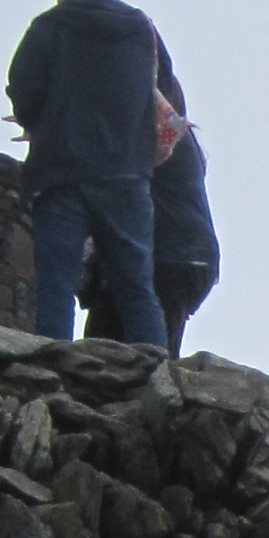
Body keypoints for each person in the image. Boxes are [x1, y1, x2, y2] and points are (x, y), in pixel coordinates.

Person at [5, 0, 169, 345]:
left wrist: (36, 121)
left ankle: (53, 372)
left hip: (61, 171)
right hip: (127, 170)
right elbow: (160, 89)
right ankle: (160, 376)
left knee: (56, 283)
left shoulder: (50, 25)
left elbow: (23, 88)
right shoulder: (140, 28)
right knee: (136, 285)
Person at [82, 77, 217, 354]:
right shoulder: (175, 133)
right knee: (132, 354)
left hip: (167, 252)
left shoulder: (155, 128)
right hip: (186, 255)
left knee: (113, 355)